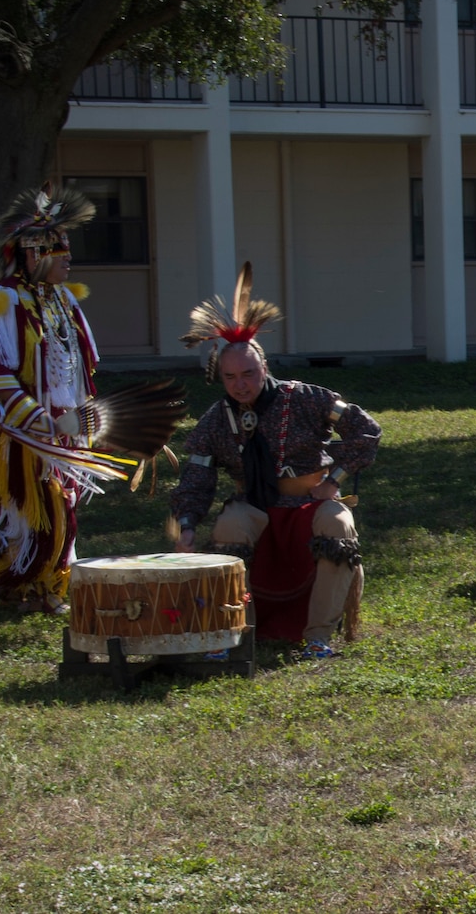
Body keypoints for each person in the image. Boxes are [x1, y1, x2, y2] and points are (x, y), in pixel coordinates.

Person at [172, 264, 380, 657]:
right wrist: (187, 525)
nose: (241, 384)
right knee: (231, 525)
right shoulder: (217, 419)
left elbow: (366, 431)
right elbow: (196, 478)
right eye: (231, 377)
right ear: (222, 378)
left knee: (337, 524)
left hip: (309, 501)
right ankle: (236, 633)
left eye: (249, 373)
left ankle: (318, 636)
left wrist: (334, 479)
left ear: (264, 368)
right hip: (254, 503)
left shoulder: (305, 397)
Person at [0, 183, 105, 614]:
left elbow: (81, 367)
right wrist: (39, 421)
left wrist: (83, 417)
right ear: (33, 253)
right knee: (26, 508)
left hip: (64, 426)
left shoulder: (64, 301)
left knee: (64, 502)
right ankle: (22, 583)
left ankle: (52, 580)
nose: (69, 259)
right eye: (60, 251)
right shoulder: (1, 301)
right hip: (22, 430)